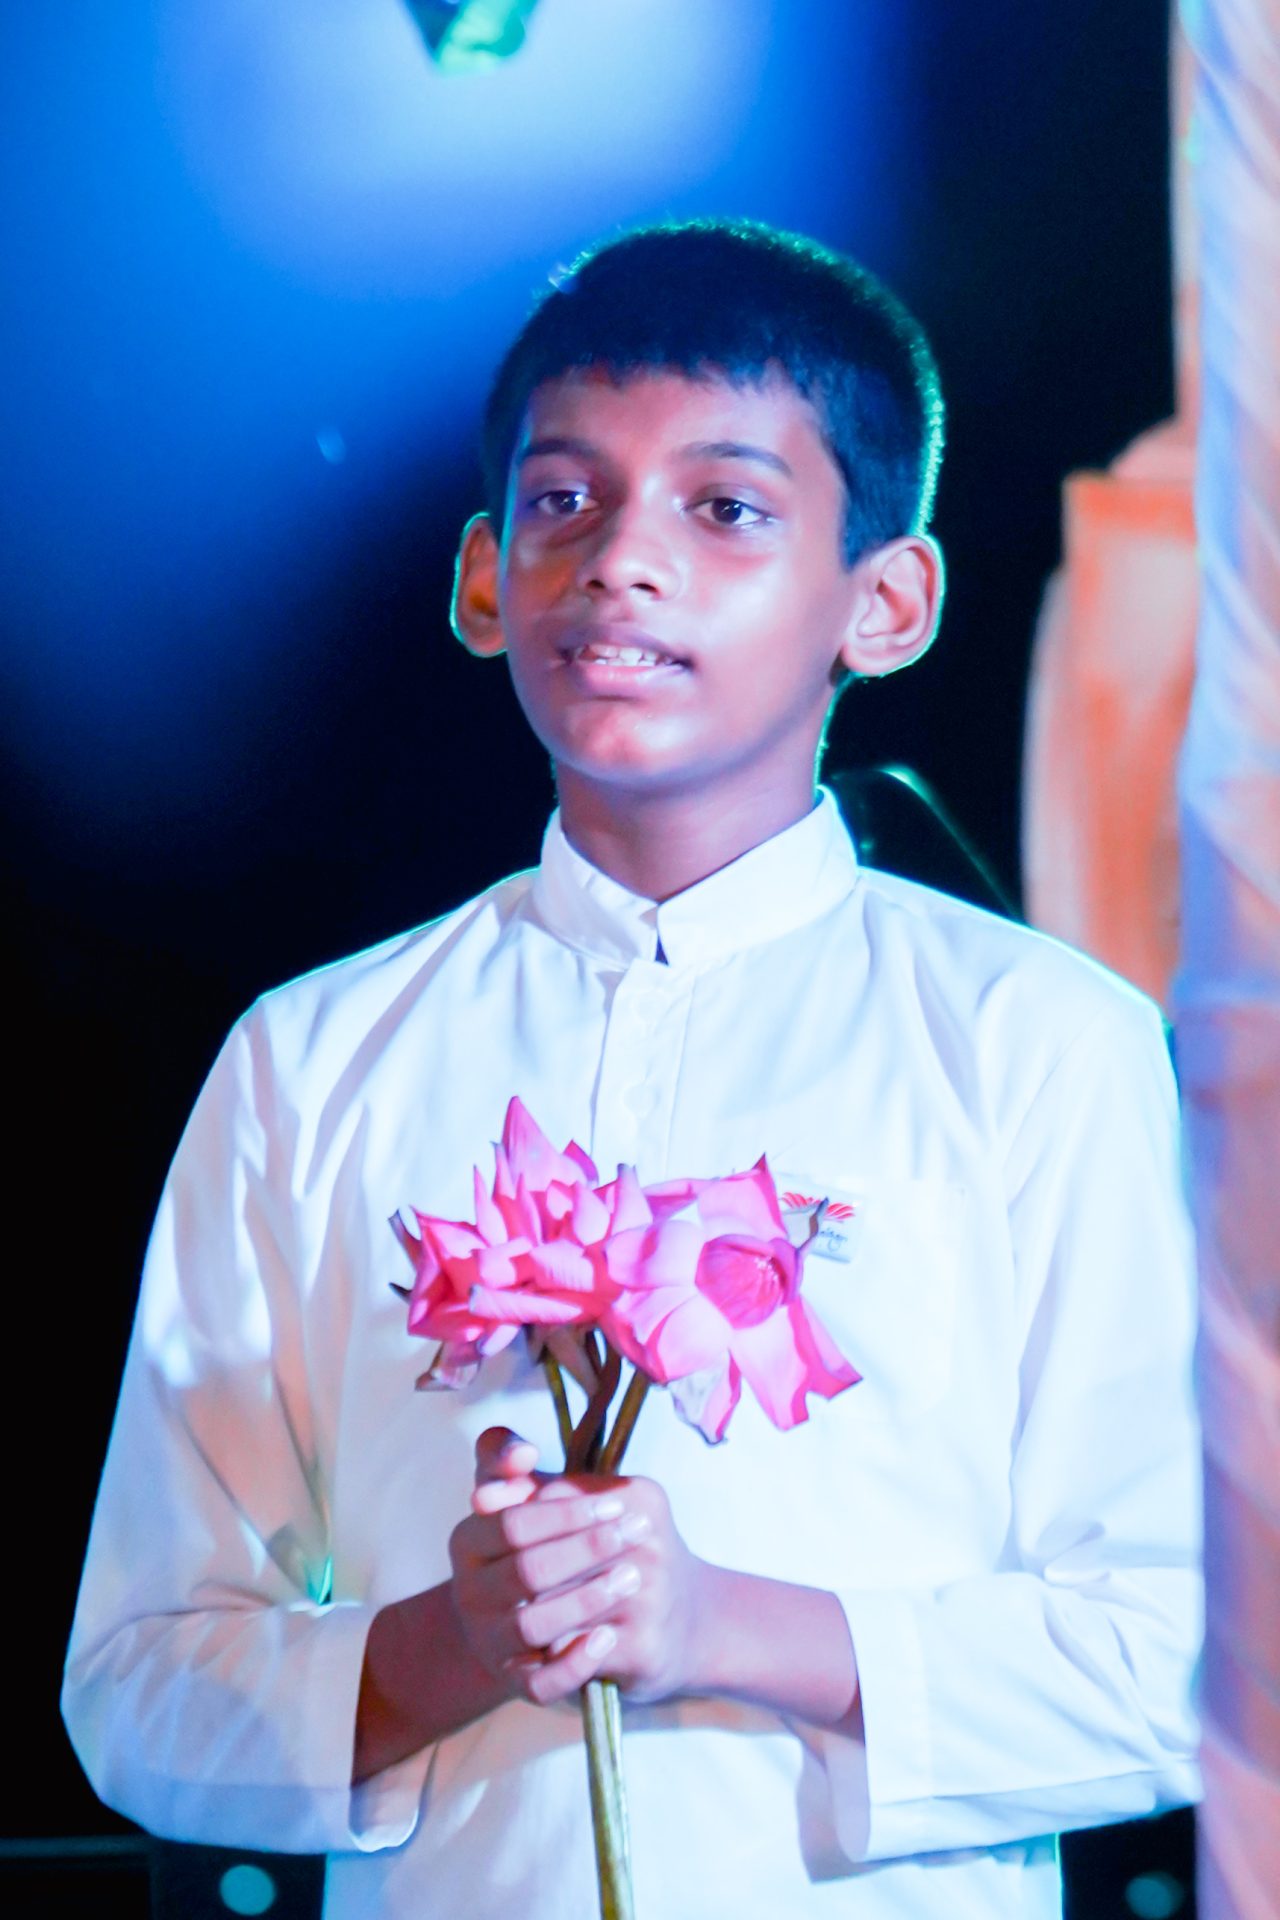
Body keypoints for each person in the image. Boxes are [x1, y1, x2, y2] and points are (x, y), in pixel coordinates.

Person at [63, 219, 1200, 1920]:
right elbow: (141, 1684)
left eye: (724, 508)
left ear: (886, 602)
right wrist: (450, 1646)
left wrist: (723, 1624)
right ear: (481, 576)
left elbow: (1188, 1656)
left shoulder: (1041, 1041)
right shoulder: (312, 1058)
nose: (620, 563)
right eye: (563, 500)